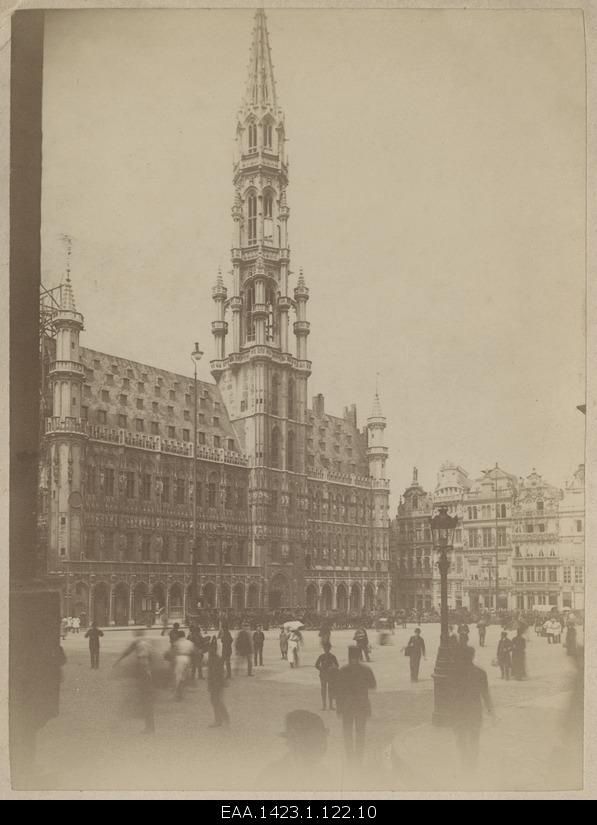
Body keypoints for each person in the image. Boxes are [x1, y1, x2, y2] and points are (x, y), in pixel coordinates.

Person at [255, 710, 331, 790]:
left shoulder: (324, 775)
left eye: (321, 739)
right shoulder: (271, 776)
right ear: (292, 742)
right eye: (311, 740)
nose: (322, 746)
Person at [453, 646, 496, 770]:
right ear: (473, 656)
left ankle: (464, 761)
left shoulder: (456, 673)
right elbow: (485, 694)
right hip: (474, 710)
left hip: (460, 710)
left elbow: (451, 694)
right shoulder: (480, 673)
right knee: (474, 737)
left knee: (460, 737)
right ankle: (472, 763)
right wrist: (491, 712)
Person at [335, 646, 376, 765]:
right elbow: (373, 685)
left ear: (349, 656)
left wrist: (339, 709)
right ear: (359, 657)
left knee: (347, 733)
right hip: (361, 705)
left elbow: (338, 691)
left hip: (347, 706)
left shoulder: (343, 670)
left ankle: (350, 760)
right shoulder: (366, 670)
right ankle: (359, 760)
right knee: (360, 733)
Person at [113, 630, 155, 734]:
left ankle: (148, 727)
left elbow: (127, 652)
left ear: (137, 634)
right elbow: (152, 657)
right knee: (146, 698)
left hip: (142, 668)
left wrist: (117, 661)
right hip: (147, 669)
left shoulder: (137, 642)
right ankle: (150, 726)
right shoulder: (147, 642)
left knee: (144, 698)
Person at [207, 640, 230, 728]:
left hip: (216, 683)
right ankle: (222, 719)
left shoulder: (215, 659)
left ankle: (221, 719)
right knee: (215, 701)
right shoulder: (214, 659)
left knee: (216, 701)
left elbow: (216, 673)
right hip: (215, 683)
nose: (209, 651)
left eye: (210, 649)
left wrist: (212, 684)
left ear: (213, 650)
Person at [315, 642, 339, 711]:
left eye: (327, 648)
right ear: (324, 649)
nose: (326, 649)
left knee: (330, 690)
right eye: (325, 648)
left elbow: (337, 665)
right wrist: (321, 669)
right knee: (323, 690)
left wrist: (332, 668)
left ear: (329, 648)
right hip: (323, 675)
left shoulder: (332, 656)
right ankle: (324, 706)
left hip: (330, 675)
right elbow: (316, 665)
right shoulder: (321, 656)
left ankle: (330, 706)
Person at [172, 634, 195, 701]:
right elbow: (193, 652)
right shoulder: (190, 642)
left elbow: (173, 651)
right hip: (187, 658)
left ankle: (178, 694)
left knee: (178, 677)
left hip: (179, 658)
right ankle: (182, 694)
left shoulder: (177, 642)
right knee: (184, 677)